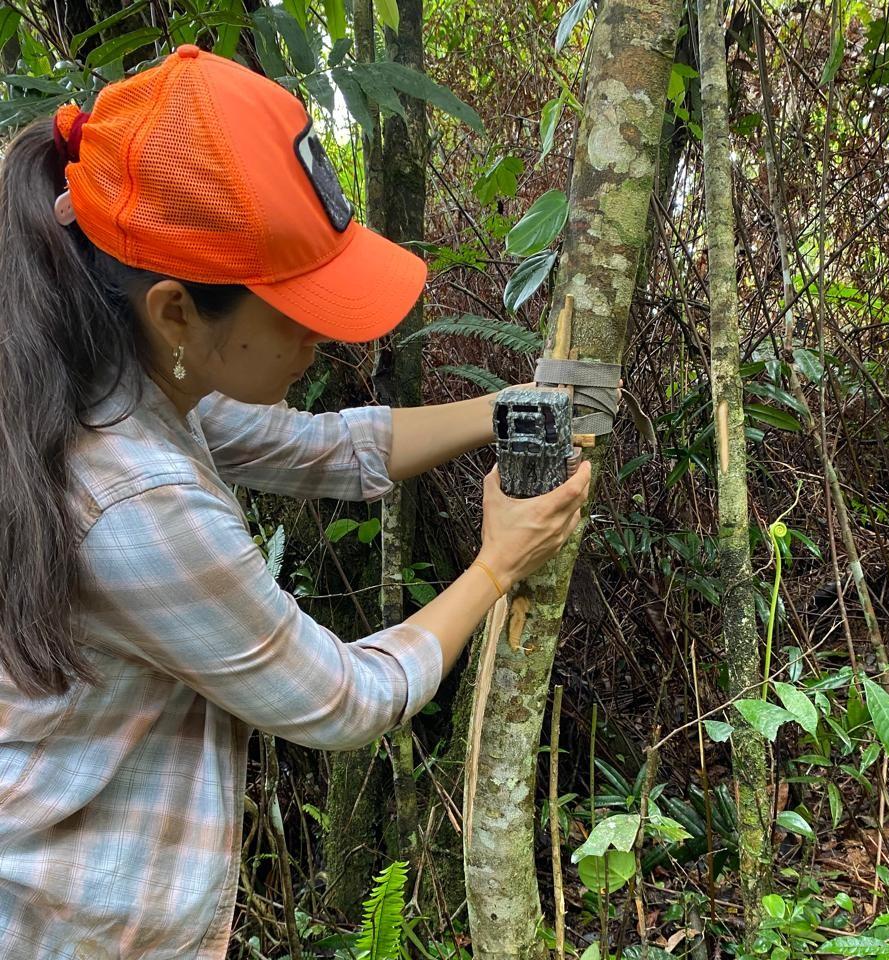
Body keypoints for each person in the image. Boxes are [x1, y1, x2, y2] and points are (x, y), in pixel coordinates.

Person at [0, 44, 590, 960]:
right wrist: (497, 564)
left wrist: (512, 410)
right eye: (294, 311)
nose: (320, 336)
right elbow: (344, 702)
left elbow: (331, 446)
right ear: (175, 312)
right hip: (69, 926)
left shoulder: (107, 371)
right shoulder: (135, 498)